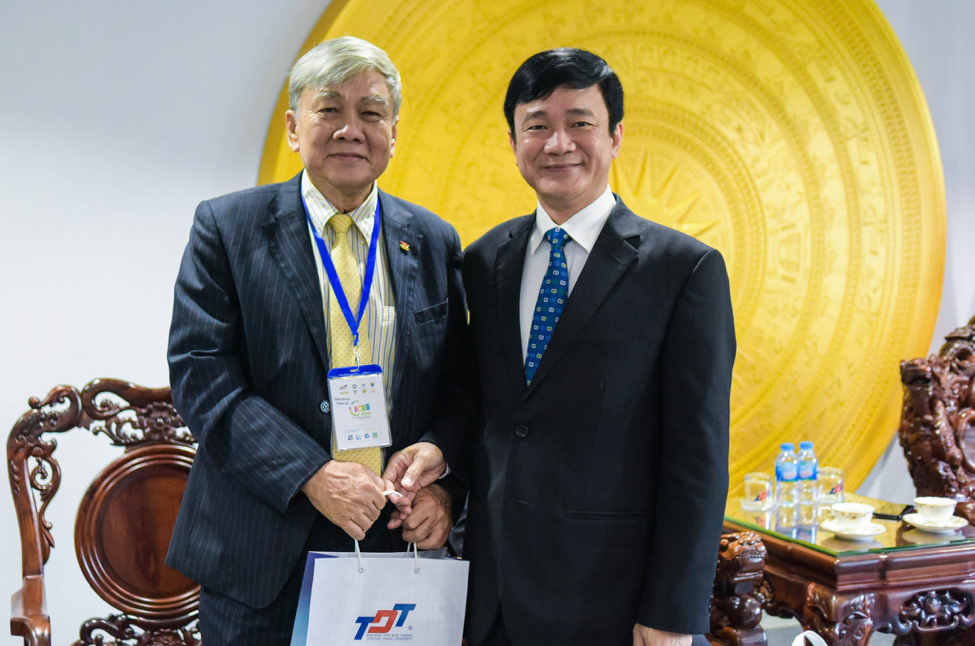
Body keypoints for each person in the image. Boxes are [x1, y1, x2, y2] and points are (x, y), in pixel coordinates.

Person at [387, 48, 736, 646]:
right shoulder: (483, 259)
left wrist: (673, 613)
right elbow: (481, 404)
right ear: (513, 138)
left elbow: (697, 456)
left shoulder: (684, 270)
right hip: (492, 592)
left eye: (580, 123)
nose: (558, 143)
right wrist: (442, 466)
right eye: (537, 126)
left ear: (616, 135)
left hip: (613, 598)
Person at [166, 36, 465, 646]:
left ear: (393, 132)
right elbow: (202, 374)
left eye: (371, 112)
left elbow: (462, 387)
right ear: (295, 126)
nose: (351, 129)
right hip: (259, 552)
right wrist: (312, 474)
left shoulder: (434, 241)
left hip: (392, 550)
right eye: (330, 109)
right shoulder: (228, 227)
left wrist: (444, 483)